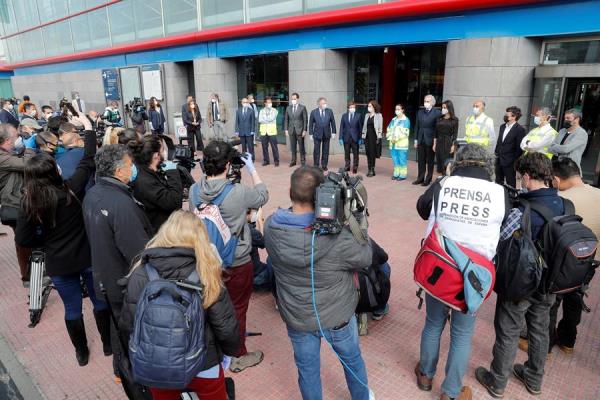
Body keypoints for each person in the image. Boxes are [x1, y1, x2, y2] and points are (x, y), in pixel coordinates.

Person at [264, 166, 373, 400]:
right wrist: (354, 219)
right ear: (322, 195)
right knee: (352, 361)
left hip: (298, 317)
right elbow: (366, 257)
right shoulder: (339, 236)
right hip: (338, 316)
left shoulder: (271, 227)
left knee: (307, 370)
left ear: (290, 191)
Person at [415, 144, 508, 400]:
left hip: (440, 268)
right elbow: (507, 223)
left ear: (458, 161)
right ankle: (451, 392)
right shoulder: (499, 193)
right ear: (488, 165)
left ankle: (425, 374)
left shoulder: (444, 183)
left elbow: (423, 209)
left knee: (433, 323)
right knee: (462, 333)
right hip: (474, 277)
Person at [119, 210, 241, 400]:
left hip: (157, 366)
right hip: (203, 362)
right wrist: (232, 351)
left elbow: (128, 324)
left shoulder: (140, 272)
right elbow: (226, 327)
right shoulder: (207, 272)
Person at [475, 152, 564, 399]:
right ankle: (534, 379)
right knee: (539, 330)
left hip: (521, 283)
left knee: (509, 329)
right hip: (548, 284)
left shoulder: (522, 209)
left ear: (527, 176)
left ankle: (498, 381)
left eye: (520, 177)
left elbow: (500, 239)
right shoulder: (565, 204)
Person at [15, 146, 111, 367]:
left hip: (58, 262)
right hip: (86, 256)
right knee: (99, 301)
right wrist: (87, 128)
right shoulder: (71, 189)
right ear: (54, 171)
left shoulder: (29, 204)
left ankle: (82, 352)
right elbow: (87, 161)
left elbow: (23, 239)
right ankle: (108, 344)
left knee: (72, 308)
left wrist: (45, 242)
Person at [188, 140, 269, 373]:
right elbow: (262, 195)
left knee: (211, 305)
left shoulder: (194, 191)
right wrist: (252, 169)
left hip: (206, 259)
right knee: (237, 308)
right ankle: (237, 355)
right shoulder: (237, 192)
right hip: (236, 260)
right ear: (227, 165)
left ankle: (214, 350)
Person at [82, 144, 154, 390]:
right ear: (119, 170)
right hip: (125, 281)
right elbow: (138, 253)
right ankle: (136, 377)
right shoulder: (121, 204)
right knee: (132, 330)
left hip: (105, 276)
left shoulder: (93, 193)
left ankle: (119, 369)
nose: (133, 168)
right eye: (130, 164)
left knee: (117, 324)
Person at [549, 157, 600, 354]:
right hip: (591, 260)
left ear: (556, 179)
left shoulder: (561, 199)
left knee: (553, 300)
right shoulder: (598, 193)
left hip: (563, 261)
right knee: (576, 298)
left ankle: (546, 345)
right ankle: (568, 341)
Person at [0, 123, 35, 286]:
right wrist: (29, 148)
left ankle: (32, 273)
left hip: (16, 200)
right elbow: (27, 164)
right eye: (16, 137)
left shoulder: (7, 154)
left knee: (24, 239)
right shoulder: (3, 157)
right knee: (23, 241)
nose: (18, 139)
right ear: (7, 140)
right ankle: (28, 277)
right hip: (14, 203)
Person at [132, 135, 183, 233]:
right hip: (159, 232)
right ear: (156, 155)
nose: (165, 152)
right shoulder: (145, 181)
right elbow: (174, 202)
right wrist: (173, 173)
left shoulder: (148, 170)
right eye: (163, 149)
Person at [495, 106, 526, 187]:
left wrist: (515, 163)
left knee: (511, 184)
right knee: (498, 182)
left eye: (507, 115)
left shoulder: (520, 129)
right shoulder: (502, 126)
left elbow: (519, 149)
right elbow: (500, 142)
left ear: (514, 117)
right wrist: (496, 153)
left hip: (510, 163)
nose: (505, 116)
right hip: (499, 160)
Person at [413, 94, 441, 186]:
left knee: (430, 161)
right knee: (421, 160)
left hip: (430, 139)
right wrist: (415, 139)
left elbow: (437, 129)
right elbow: (416, 126)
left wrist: (435, 141)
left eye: (428, 101)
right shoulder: (420, 112)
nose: (426, 103)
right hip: (421, 139)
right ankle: (420, 178)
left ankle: (428, 179)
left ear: (432, 103)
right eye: (425, 101)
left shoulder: (437, 113)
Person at [309, 97, 336, 171]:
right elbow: (311, 124)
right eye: (323, 103)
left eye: (325, 103)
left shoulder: (329, 111)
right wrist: (310, 134)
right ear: (319, 104)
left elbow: (333, 122)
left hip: (327, 134)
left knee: (326, 150)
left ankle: (324, 165)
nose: (325, 104)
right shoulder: (313, 112)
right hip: (317, 134)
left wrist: (334, 132)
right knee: (316, 150)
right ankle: (316, 165)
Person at [434, 100, 459, 175]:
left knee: (446, 163)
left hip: (448, 143)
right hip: (439, 142)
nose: (443, 109)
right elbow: (435, 132)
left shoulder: (454, 120)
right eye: (442, 107)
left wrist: (453, 146)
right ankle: (441, 178)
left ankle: (446, 179)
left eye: (445, 107)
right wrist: (434, 144)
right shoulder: (439, 118)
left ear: (449, 108)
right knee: (439, 162)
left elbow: (455, 134)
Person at [387, 103, 410, 181]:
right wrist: (390, 137)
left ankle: (403, 175)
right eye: (396, 109)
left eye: (398, 109)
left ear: (402, 110)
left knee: (402, 159)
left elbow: (405, 133)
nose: (397, 111)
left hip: (401, 144)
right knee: (395, 159)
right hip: (393, 144)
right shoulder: (394, 120)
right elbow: (388, 129)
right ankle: (396, 173)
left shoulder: (406, 120)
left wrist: (396, 138)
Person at [284, 92, 308, 167]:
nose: (293, 100)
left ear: (297, 99)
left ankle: (303, 161)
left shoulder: (302, 107)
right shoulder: (288, 108)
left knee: (301, 147)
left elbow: (305, 120)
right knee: (293, 147)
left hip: (300, 130)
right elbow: (286, 120)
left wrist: (304, 130)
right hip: (291, 130)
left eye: (294, 99)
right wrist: (286, 130)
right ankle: (293, 161)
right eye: (292, 99)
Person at [361, 100, 383, 177]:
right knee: (368, 153)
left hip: (374, 137)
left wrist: (379, 137)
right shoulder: (367, 115)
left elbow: (380, 128)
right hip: (367, 137)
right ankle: (369, 168)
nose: (368, 107)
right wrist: (363, 136)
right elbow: (364, 127)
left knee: (372, 153)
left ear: (374, 107)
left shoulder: (379, 115)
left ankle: (372, 170)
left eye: (370, 106)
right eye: (368, 106)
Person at [339, 102, 362, 174]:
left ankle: (355, 167)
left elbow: (360, 128)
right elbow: (341, 127)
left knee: (356, 154)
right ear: (348, 108)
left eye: (354, 107)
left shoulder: (359, 116)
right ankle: (347, 166)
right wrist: (340, 138)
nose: (352, 109)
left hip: (355, 138)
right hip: (346, 137)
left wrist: (361, 138)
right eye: (351, 107)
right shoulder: (344, 116)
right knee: (347, 153)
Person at [259, 96, 279, 167]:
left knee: (274, 147)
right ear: (265, 103)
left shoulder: (275, 110)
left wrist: (265, 119)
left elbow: (272, 118)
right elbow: (260, 120)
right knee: (264, 147)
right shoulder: (261, 111)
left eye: (270, 102)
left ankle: (276, 161)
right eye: (268, 102)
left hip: (272, 131)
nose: (269, 103)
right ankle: (266, 160)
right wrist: (267, 120)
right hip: (264, 131)